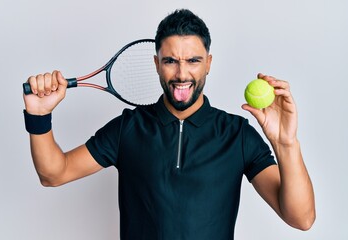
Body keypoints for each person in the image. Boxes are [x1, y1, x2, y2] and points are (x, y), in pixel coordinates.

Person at [23, 9, 315, 240]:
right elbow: (53, 173)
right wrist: (38, 115)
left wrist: (285, 143)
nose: (182, 73)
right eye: (171, 61)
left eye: (193, 61)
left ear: (209, 63)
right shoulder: (128, 129)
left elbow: (301, 218)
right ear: (156, 63)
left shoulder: (237, 135)